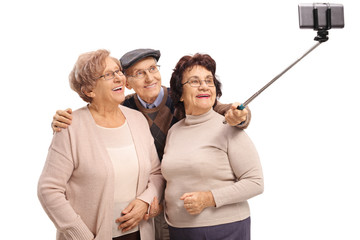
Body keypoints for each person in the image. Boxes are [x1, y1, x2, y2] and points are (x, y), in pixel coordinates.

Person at [51, 48, 252, 240]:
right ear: (127, 82)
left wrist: (241, 116)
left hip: (182, 207)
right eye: (139, 73)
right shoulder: (125, 107)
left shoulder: (181, 99)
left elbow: (221, 108)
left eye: (153, 69)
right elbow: (98, 105)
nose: (149, 78)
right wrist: (66, 120)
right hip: (146, 211)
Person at [38, 49, 164, 240]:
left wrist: (145, 201)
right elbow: (48, 189)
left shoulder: (137, 119)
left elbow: (156, 172)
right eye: (108, 75)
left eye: (118, 72)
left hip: (141, 233)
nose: (118, 78)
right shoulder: (70, 126)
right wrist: (81, 235)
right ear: (89, 90)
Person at [160, 53, 264, 240]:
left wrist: (209, 198)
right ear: (180, 94)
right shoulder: (175, 130)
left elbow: (255, 182)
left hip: (224, 229)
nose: (204, 86)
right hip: (179, 230)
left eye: (209, 81)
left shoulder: (228, 126)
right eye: (194, 81)